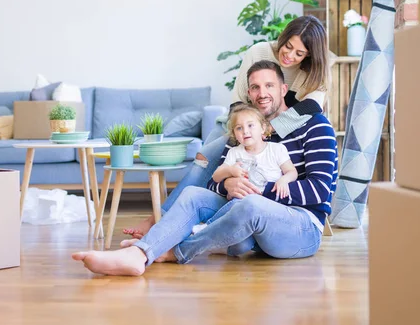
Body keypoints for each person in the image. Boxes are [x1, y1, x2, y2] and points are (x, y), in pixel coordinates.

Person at [72, 60, 338, 276]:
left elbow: (321, 190)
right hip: (255, 225)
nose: (262, 93)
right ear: (249, 94)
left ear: (283, 89)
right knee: (193, 195)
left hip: (301, 226)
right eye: (255, 87)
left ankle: (165, 252)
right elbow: (213, 182)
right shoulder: (245, 131)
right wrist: (226, 184)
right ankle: (144, 252)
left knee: (251, 204)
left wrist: (257, 191)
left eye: (269, 85)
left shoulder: (315, 125)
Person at [123, 15, 331, 239]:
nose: (289, 56)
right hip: (240, 123)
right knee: (203, 160)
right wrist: (252, 127)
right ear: (283, 37)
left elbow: (311, 108)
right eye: (288, 46)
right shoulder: (260, 51)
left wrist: (265, 129)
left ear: (309, 55)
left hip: (273, 133)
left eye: (299, 53)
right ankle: (158, 219)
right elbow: (238, 101)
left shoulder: (312, 74)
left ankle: (181, 226)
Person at [191, 102, 297, 235]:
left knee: (239, 206)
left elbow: (292, 172)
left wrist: (283, 180)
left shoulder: (276, 149)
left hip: (270, 202)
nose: (245, 131)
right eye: (239, 128)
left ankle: (209, 226)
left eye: (250, 125)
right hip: (242, 200)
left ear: (263, 128)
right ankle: (214, 229)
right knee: (236, 204)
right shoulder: (235, 152)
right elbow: (216, 176)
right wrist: (230, 170)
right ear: (234, 134)